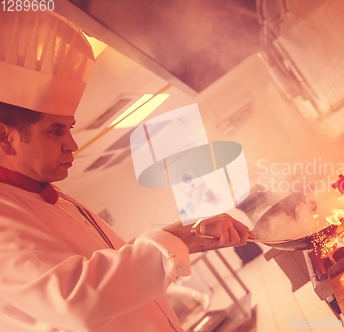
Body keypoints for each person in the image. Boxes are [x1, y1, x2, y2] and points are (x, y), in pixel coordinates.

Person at [0, 11, 250, 332]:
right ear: (5, 138)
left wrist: (194, 232)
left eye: (70, 128)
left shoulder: (51, 196)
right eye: (56, 130)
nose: (72, 144)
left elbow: (114, 260)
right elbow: (76, 298)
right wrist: (182, 238)